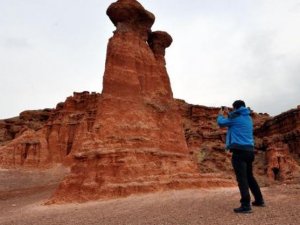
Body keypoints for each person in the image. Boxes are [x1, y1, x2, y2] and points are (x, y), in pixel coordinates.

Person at [217, 100, 265, 213]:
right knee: (250, 177)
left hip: (239, 152)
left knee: (242, 179)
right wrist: (230, 113)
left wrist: (220, 113)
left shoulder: (235, 117)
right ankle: (259, 200)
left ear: (235, 108)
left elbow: (221, 123)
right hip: (250, 151)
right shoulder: (248, 117)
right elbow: (235, 119)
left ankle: (245, 205)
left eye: (233, 108)